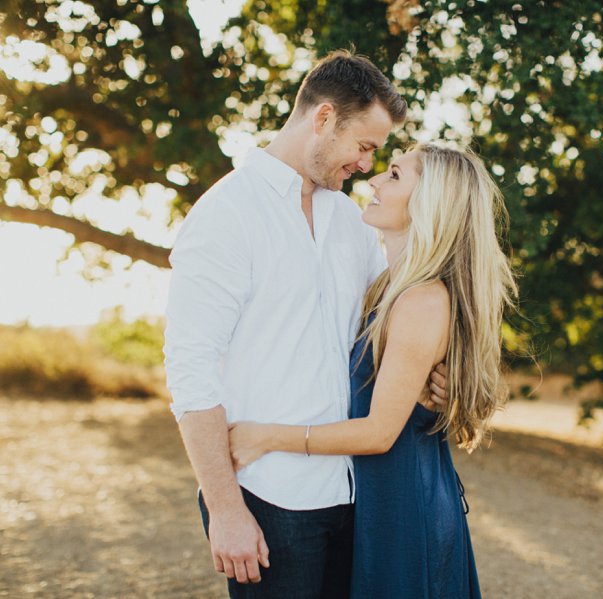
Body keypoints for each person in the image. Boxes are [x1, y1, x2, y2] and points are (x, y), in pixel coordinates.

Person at [163, 50, 448, 598]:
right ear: (322, 119)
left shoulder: (352, 219)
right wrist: (225, 509)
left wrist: (437, 377)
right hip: (271, 498)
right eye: (364, 147)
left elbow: (392, 323)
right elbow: (190, 371)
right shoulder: (227, 214)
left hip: (354, 492)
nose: (367, 165)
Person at [228, 143, 519, 598]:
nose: (375, 181)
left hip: (405, 512)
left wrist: (265, 436)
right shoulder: (388, 285)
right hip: (383, 504)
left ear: (430, 204)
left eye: (396, 176)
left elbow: (378, 433)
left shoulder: (422, 300)